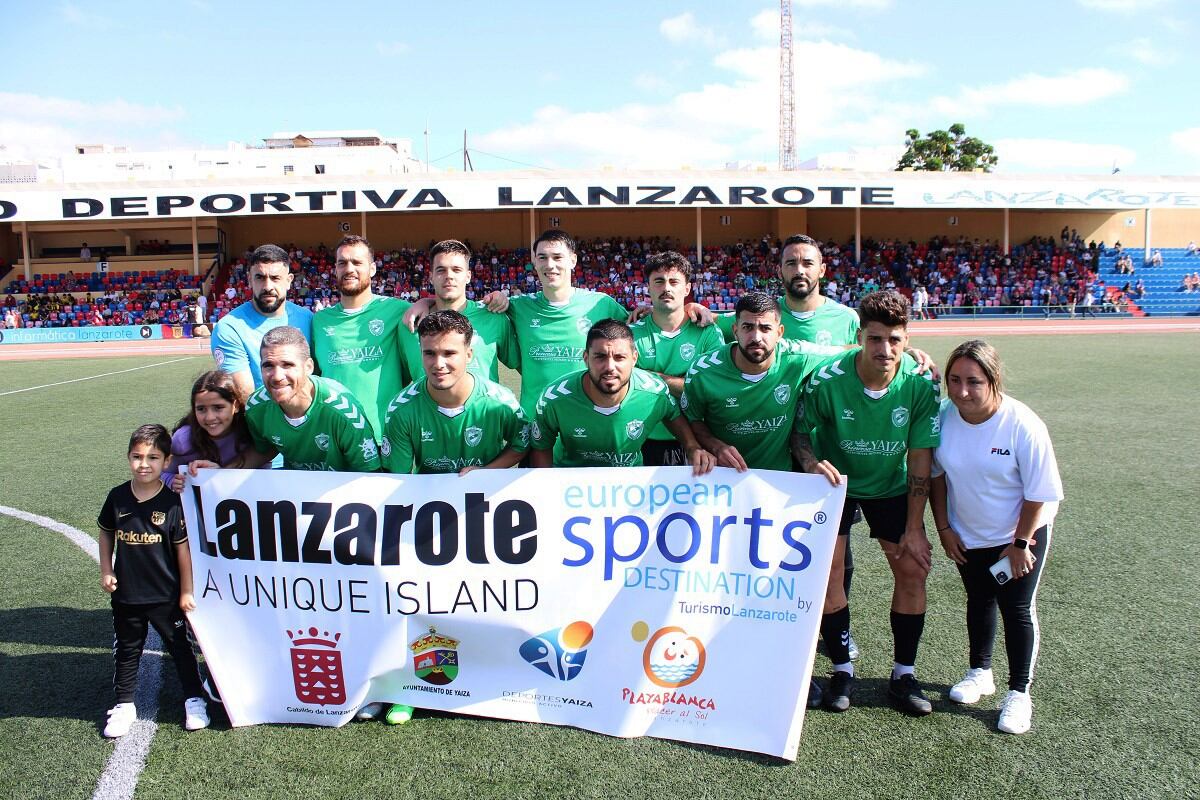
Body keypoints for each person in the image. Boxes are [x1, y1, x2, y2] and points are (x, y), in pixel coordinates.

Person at [791, 290, 941, 716]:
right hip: (836, 482)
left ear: (908, 339)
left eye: (894, 339)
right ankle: (842, 669)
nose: (885, 349)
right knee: (829, 573)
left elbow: (920, 457)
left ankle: (903, 674)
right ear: (860, 337)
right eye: (875, 339)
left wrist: (915, 527)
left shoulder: (919, 383)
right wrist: (810, 461)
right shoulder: (828, 380)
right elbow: (801, 433)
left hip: (891, 485)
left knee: (912, 567)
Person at [931, 340, 1063, 735]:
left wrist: (1021, 542)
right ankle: (980, 672)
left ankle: (1019, 693)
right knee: (979, 598)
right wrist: (944, 528)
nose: (961, 391)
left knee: (1017, 609)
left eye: (973, 381)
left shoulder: (1022, 424)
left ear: (994, 380)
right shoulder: (944, 416)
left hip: (1018, 534)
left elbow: (1040, 492)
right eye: (954, 380)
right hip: (967, 534)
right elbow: (936, 476)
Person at [97, 424, 208, 738]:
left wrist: (186, 591)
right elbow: (106, 532)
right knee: (127, 650)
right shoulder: (117, 497)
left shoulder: (172, 503)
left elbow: (183, 550)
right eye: (137, 456)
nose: (144, 464)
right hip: (127, 596)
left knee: (181, 649)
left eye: (153, 457)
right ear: (128, 457)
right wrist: (107, 569)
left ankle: (194, 698)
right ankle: (124, 704)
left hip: (165, 596)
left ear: (167, 460)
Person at [531, 319, 714, 474]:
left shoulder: (655, 392)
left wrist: (692, 447)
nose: (610, 367)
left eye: (619, 357)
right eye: (600, 357)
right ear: (586, 358)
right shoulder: (555, 398)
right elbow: (541, 447)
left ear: (634, 358)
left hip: (628, 484)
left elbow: (673, 415)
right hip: (572, 481)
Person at [382, 310, 529, 476]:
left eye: (449, 353)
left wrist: (486, 471)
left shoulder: (501, 403)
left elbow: (521, 444)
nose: (438, 364)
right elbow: (398, 477)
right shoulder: (401, 409)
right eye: (429, 353)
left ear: (469, 355)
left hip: (486, 496)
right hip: (429, 498)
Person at [630, 251, 725, 466]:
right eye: (659, 281)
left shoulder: (707, 332)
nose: (667, 288)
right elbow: (627, 387)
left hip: (700, 442)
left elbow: (710, 390)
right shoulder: (631, 334)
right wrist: (684, 381)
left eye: (674, 281)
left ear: (688, 288)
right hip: (643, 439)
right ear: (648, 287)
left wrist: (652, 377)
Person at [312, 235, 412, 438]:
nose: (349, 269)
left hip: (384, 434)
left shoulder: (398, 310)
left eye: (357, 262)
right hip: (335, 436)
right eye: (342, 263)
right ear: (335, 269)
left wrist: (425, 303)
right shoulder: (319, 320)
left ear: (373, 269)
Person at [243, 326, 380, 472]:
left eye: (287, 365)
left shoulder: (344, 412)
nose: (277, 376)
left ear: (308, 367)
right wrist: (220, 472)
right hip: (297, 489)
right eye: (268, 366)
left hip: (345, 490)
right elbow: (264, 450)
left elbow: (370, 474)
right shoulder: (256, 407)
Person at [397, 239, 519, 385]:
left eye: (456, 270)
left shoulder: (493, 317)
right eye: (441, 270)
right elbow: (400, 380)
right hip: (427, 408)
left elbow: (523, 366)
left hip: (483, 408)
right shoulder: (410, 323)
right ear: (431, 277)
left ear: (468, 276)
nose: (449, 276)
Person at [211, 244, 313, 401]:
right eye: (260, 277)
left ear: (289, 280)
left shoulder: (308, 318)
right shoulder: (229, 328)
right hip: (262, 421)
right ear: (250, 280)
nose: (268, 286)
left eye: (275, 278)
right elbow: (245, 396)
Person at [165, 371, 265, 490]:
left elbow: (264, 475)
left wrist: (221, 475)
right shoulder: (183, 440)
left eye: (218, 408)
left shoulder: (252, 432)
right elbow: (162, 473)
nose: (210, 417)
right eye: (201, 409)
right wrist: (172, 481)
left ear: (236, 405)